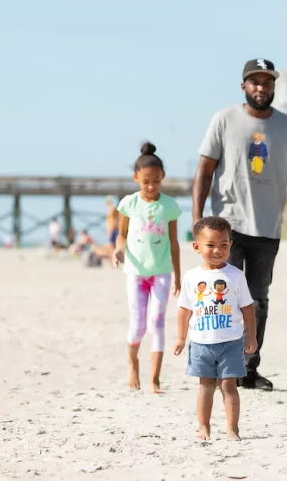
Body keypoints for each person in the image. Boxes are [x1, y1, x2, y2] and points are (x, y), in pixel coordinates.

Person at [192, 58, 287, 391]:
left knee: (257, 300)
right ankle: (219, 366)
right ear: (244, 86)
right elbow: (204, 171)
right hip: (226, 227)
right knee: (222, 297)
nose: (261, 88)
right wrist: (197, 220)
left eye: (267, 82)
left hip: (268, 227)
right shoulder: (224, 119)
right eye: (255, 82)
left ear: (274, 87)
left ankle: (248, 369)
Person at [174, 217, 257, 441]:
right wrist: (181, 338)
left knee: (229, 385)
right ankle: (204, 426)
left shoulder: (236, 275)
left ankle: (233, 428)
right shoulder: (192, 277)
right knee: (206, 386)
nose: (217, 250)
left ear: (230, 245)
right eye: (210, 245)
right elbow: (184, 309)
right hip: (201, 342)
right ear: (197, 247)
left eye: (223, 244)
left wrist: (252, 337)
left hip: (231, 341)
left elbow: (248, 308)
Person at [112, 143, 183, 393]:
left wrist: (178, 275)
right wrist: (119, 250)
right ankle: (133, 362)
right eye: (145, 182)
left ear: (162, 177)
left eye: (155, 181)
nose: (151, 186)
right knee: (138, 325)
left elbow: (174, 243)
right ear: (136, 179)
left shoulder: (170, 207)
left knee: (157, 321)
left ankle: (155, 378)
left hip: (162, 271)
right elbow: (120, 235)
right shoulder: (128, 204)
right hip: (135, 272)